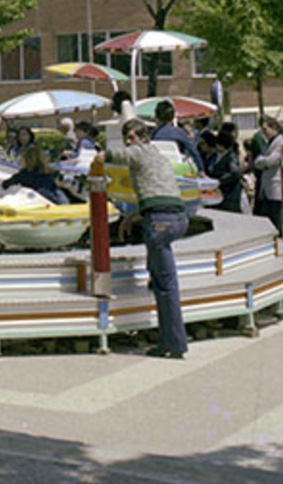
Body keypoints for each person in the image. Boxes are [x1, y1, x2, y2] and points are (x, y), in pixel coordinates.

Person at [102, 118, 189, 359]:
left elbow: (112, 155)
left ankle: (173, 343)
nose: (129, 142)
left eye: (131, 137)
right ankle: (169, 334)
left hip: (160, 223)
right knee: (161, 273)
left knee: (166, 286)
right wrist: (132, 217)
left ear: (142, 138)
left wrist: (95, 156)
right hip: (177, 218)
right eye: (126, 138)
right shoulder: (158, 156)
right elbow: (159, 194)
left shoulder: (137, 153)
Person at [0, 145, 71, 204]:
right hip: (55, 200)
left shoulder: (23, 174)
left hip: (37, 201)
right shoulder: (50, 171)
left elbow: (5, 184)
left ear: (27, 160)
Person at [253, 115, 283, 234]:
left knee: (278, 218)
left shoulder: (282, 143)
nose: (264, 133)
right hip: (267, 186)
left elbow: (271, 161)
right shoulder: (270, 143)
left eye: (265, 129)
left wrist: (261, 160)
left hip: (276, 185)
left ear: (274, 128)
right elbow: (259, 161)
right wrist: (262, 161)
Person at [150, 100, 204, 173]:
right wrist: (201, 170)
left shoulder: (153, 135)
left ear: (157, 117)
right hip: (176, 169)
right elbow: (193, 152)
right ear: (172, 117)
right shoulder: (179, 132)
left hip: (157, 169)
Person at [208, 127, 244, 214]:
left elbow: (235, 173)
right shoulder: (216, 155)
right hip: (219, 193)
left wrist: (220, 181)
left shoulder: (231, 157)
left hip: (229, 195)